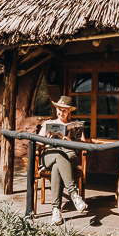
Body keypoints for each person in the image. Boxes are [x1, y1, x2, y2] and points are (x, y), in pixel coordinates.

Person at [38, 95, 88, 225]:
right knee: (58, 156)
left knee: (57, 166)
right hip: (50, 153)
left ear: (70, 111)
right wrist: (46, 139)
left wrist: (68, 140)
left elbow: (83, 144)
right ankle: (74, 195)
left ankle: (56, 210)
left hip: (69, 154)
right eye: (59, 109)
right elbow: (37, 143)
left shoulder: (74, 125)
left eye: (64, 110)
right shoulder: (48, 124)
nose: (61, 113)